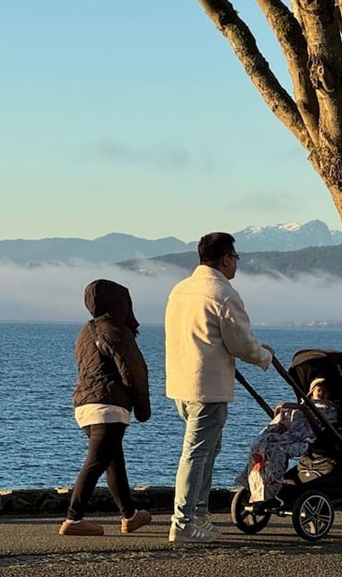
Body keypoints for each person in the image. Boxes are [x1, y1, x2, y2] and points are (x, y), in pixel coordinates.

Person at [164, 231, 274, 543]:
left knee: (208, 448)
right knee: (197, 453)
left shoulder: (180, 290)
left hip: (181, 382)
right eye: (235, 258)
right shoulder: (223, 294)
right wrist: (264, 356)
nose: (236, 264)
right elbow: (242, 343)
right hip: (207, 386)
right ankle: (183, 521)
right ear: (225, 258)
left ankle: (199, 514)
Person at [58, 279, 153, 536]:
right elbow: (134, 371)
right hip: (109, 406)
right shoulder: (115, 330)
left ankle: (130, 515)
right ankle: (73, 519)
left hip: (84, 405)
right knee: (97, 461)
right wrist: (143, 409)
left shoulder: (85, 331)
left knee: (113, 460)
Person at [236, 377, 339, 503]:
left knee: (277, 450)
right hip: (291, 433)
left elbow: (323, 422)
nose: (322, 394)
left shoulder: (329, 408)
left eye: (325, 391)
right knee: (260, 445)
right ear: (312, 391)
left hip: (307, 437)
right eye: (319, 390)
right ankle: (256, 479)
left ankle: (272, 485)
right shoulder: (304, 405)